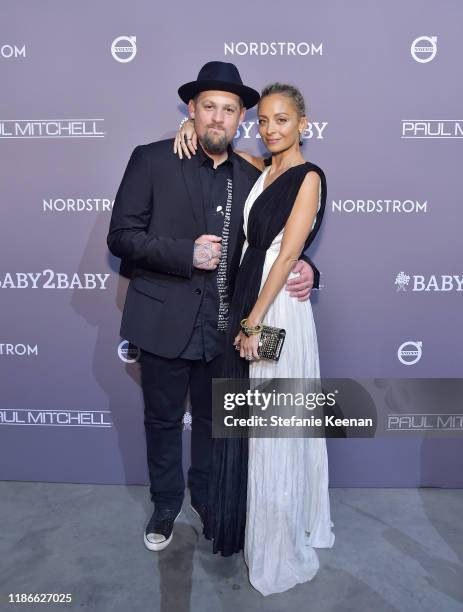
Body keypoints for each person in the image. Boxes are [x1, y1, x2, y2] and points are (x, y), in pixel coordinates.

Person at [106, 62, 321, 552]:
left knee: (214, 422)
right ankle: (165, 504)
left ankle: (206, 496)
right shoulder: (152, 159)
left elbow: (277, 236)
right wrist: (186, 253)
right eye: (208, 108)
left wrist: (309, 268)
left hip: (228, 327)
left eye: (229, 110)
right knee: (161, 421)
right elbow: (121, 236)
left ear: (242, 117)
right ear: (192, 111)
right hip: (163, 319)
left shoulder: (255, 172)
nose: (217, 118)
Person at [175, 82, 335, 595]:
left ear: (303, 124)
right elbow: (219, 143)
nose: (270, 129)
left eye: (282, 120)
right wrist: (190, 126)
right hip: (252, 296)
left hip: (275, 308)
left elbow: (288, 254)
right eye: (263, 120)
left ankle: (279, 538)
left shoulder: (309, 177)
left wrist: (253, 322)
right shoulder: (263, 169)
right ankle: (251, 521)